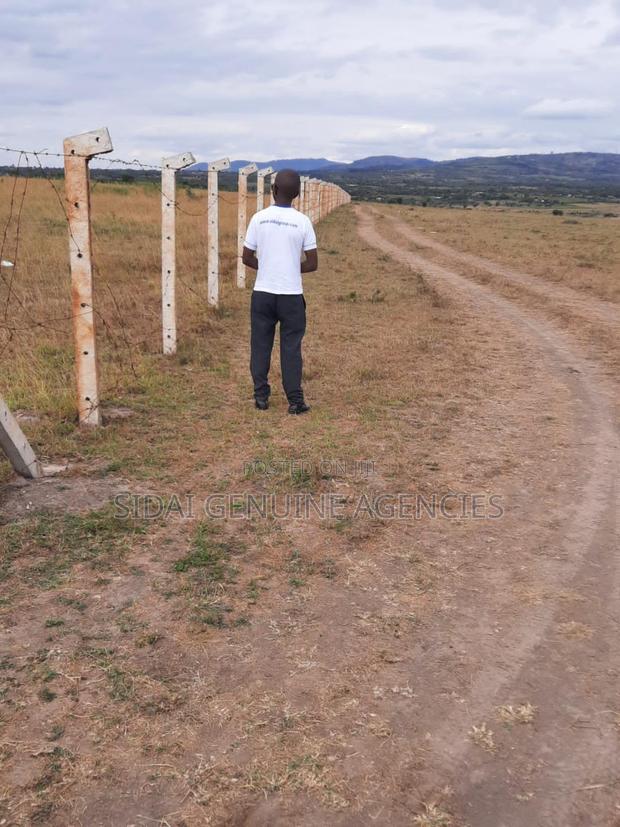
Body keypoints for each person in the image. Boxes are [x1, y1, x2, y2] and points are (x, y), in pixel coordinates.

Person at [242, 169, 318, 414]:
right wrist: (289, 268)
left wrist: (267, 267)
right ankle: (295, 401)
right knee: (291, 347)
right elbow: (312, 263)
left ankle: (261, 396)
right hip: (291, 295)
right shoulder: (303, 222)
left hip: (262, 293)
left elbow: (246, 257)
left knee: (260, 344)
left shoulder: (258, 218)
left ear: (273, 190)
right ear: (297, 193)